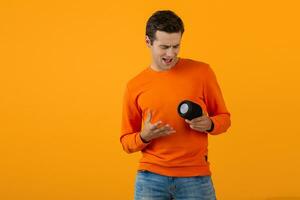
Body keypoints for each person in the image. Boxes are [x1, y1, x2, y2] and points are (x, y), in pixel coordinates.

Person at [120, 10, 231, 200]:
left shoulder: (202, 72)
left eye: (176, 46)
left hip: (195, 177)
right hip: (150, 179)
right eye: (164, 47)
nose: (171, 53)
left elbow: (224, 118)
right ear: (148, 42)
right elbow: (126, 142)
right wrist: (144, 136)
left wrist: (210, 124)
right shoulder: (135, 86)